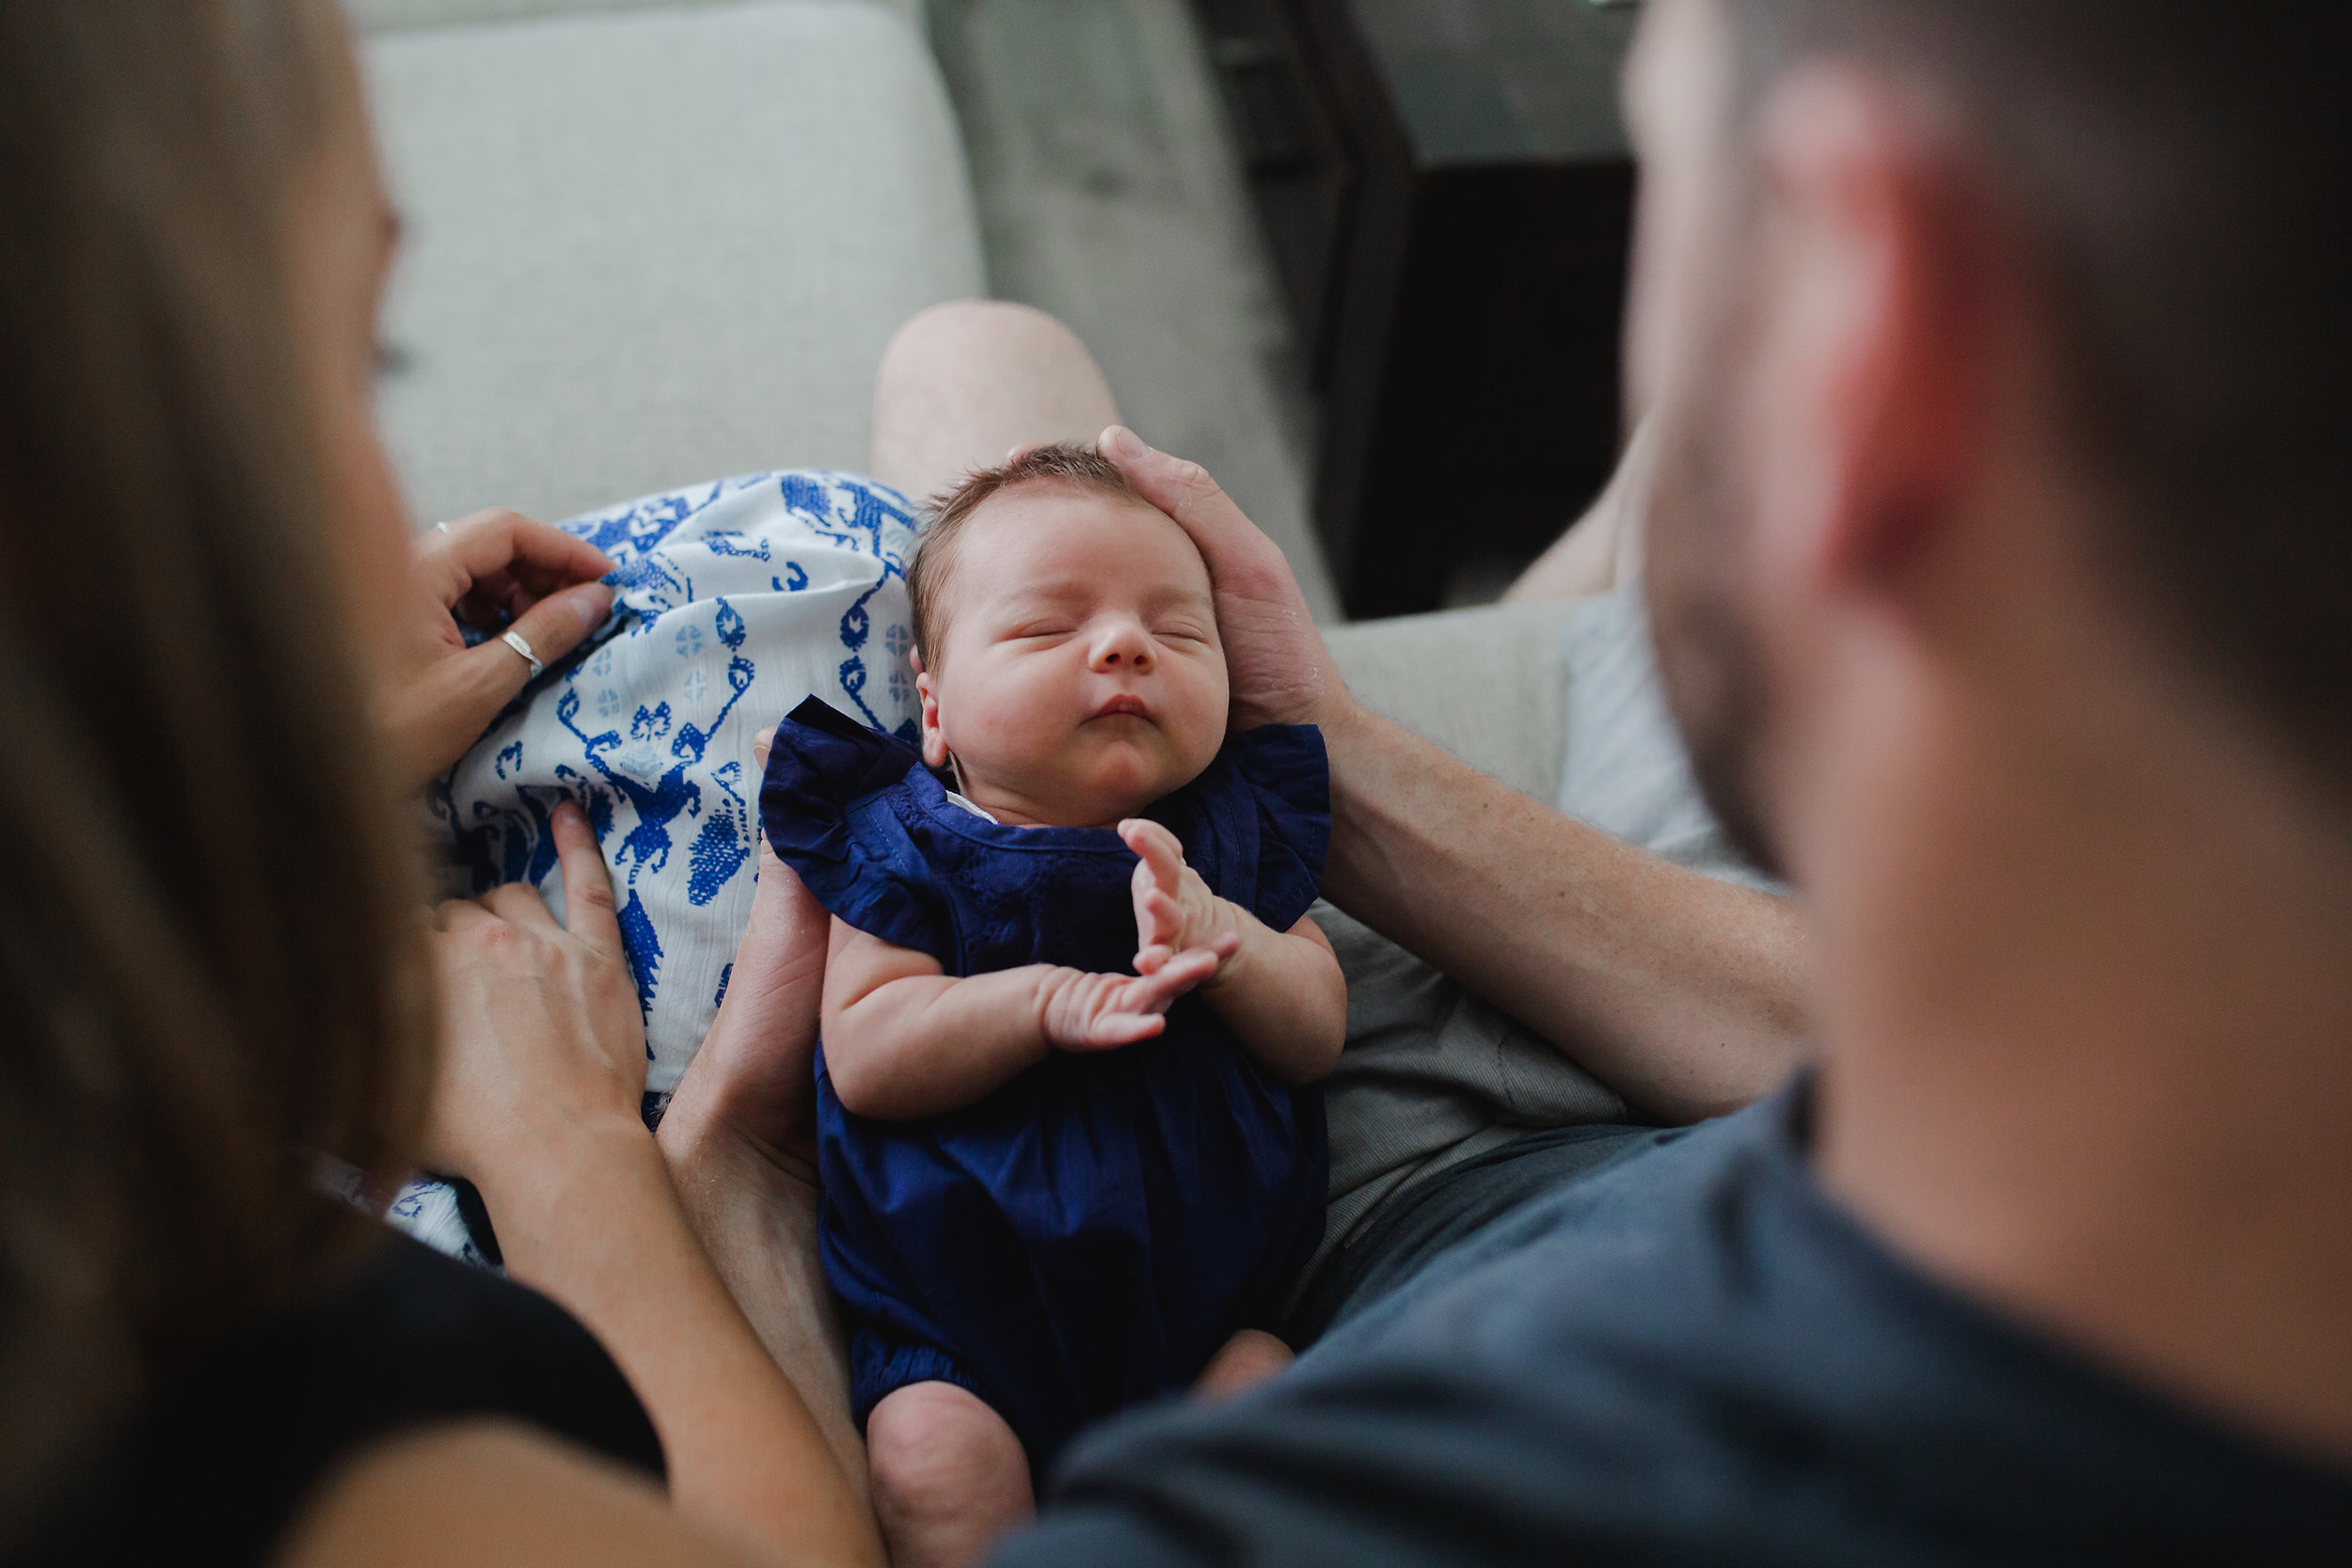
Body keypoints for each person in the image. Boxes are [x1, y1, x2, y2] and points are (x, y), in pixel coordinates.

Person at [675, 0, 2352, 1560]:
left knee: (983, 365)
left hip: (1348, 1209)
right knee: (996, 363)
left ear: (1875, 354)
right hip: (1637, 994)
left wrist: (681, 1170)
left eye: (1672, 180)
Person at [761, 443, 1343, 1565]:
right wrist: (1035, 1003)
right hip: (957, 1317)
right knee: (930, 1459)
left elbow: (1317, 1033)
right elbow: (871, 1050)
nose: (1124, 645)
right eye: (1043, 628)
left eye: (1178, 631)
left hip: (1204, 1318)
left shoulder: (1230, 836)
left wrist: (1229, 938)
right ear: (932, 707)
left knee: (1266, 1405)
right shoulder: (908, 843)